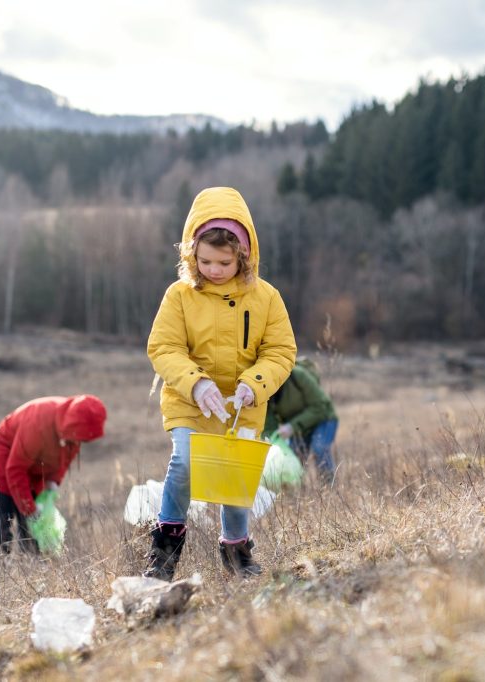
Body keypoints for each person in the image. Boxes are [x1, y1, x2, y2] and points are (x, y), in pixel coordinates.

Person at [146, 186, 296, 581]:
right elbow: (164, 347)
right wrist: (195, 384)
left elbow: (280, 351)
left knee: (234, 477)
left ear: (243, 256)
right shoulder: (179, 296)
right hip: (189, 399)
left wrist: (254, 384)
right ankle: (164, 551)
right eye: (205, 260)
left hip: (242, 405)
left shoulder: (266, 298)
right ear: (191, 253)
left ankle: (236, 551)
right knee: (183, 463)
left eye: (224, 262)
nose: (213, 269)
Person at [0, 394, 107, 553]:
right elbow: (15, 469)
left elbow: (64, 458)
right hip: (4, 458)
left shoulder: (73, 434)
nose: (79, 443)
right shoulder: (38, 426)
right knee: (2, 523)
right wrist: (28, 508)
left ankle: (32, 569)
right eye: (79, 439)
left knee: (34, 529)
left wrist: (53, 481)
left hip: (34, 464)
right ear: (72, 428)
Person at [264, 359, 339, 484]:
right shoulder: (265, 393)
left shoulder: (297, 375)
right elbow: (269, 428)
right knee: (293, 456)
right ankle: (299, 495)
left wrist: (292, 427)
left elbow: (320, 406)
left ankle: (330, 489)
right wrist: (274, 441)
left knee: (319, 448)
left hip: (324, 419)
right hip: (300, 427)